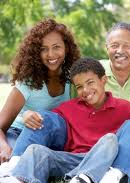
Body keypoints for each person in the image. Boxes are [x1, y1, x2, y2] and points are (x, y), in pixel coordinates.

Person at [0, 58, 130, 183]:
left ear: (103, 80)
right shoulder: (70, 107)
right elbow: (46, 123)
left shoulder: (123, 107)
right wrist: (28, 114)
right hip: (71, 160)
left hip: (106, 161)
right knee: (37, 143)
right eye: (79, 87)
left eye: (90, 82)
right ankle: (15, 172)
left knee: (115, 136)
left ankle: (110, 178)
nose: (85, 90)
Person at [0, 18, 80, 165]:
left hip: (51, 138)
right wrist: (4, 146)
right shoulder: (28, 83)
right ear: (36, 52)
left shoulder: (73, 80)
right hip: (20, 133)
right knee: (15, 161)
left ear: (66, 48)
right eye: (44, 49)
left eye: (56, 47)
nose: (51, 54)